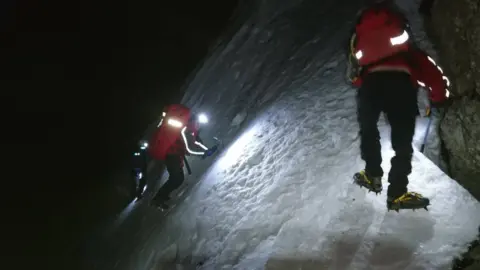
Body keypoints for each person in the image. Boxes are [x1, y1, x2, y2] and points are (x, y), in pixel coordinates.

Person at [346, 0, 450, 211]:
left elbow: (355, 78)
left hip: (371, 86)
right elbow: (432, 74)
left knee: (369, 130)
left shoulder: (362, 43)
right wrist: (439, 98)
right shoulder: (407, 51)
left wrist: (368, 77)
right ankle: (397, 193)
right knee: (402, 143)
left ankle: (372, 175)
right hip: (401, 86)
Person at [147, 104, 218, 208]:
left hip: (172, 154)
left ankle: (162, 196)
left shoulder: (189, 127)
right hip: (172, 155)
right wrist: (205, 152)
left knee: (176, 178)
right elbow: (190, 147)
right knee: (177, 178)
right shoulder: (188, 128)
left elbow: (194, 142)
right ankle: (157, 200)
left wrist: (206, 150)